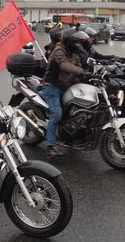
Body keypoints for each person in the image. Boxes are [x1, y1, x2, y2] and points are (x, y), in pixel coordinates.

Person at [43, 28, 89, 158]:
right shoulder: (59, 51)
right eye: (76, 42)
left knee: (79, 109)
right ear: (69, 42)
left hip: (67, 87)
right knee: (57, 114)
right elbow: (65, 66)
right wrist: (82, 72)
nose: (79, 45)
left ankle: (71, 136)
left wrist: (90, 74)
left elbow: (81, 65)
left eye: (79, 42)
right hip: (52, 87)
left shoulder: (73, 52)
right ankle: (50, 147)